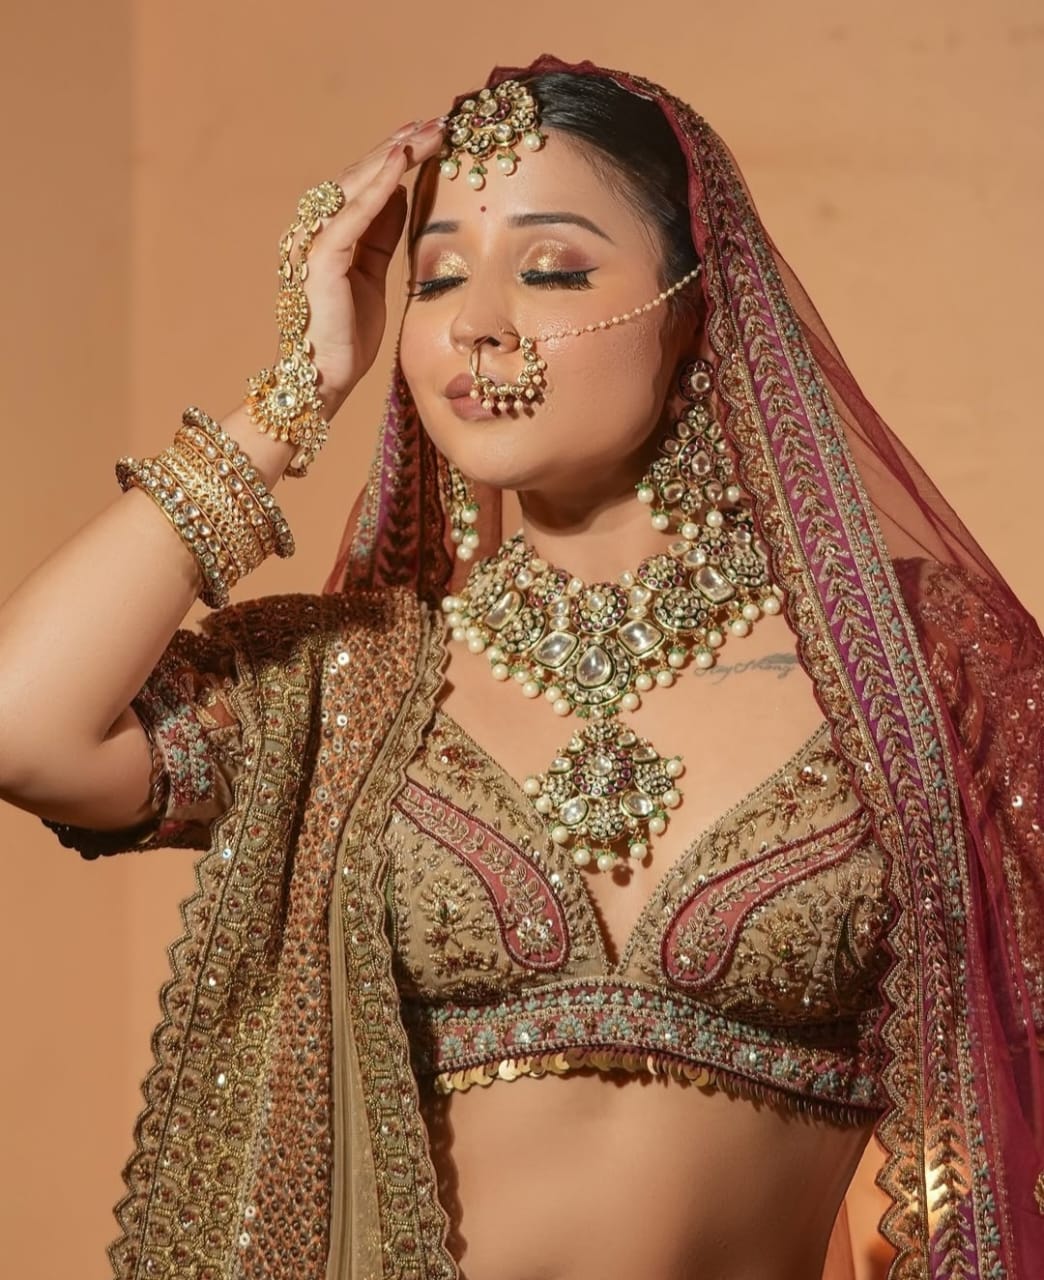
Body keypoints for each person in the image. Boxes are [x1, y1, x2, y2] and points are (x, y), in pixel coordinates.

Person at [1, 51, 1042, 1280]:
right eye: (438, 276)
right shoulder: (352, 682)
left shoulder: (912, 670)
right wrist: (290, 399)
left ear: (695, 308)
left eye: (552, 269)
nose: (476, 321)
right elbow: (29, 726)